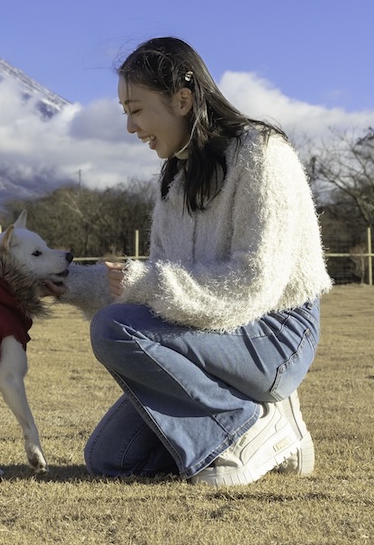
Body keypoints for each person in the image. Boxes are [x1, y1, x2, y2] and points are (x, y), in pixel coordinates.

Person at [46, 37, 333, 486]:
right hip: (210, 332)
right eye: (125, 111)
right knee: (111, 458)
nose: (129, 126)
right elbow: (155, 288)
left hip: (275, 333)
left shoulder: (262, 153)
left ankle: (246, 426)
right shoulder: (175, 177)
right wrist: (62, 282)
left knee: (113, 327)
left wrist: (145, 285)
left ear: (182, 99)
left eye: (136, 109)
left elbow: (253, 283)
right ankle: (273, 432)